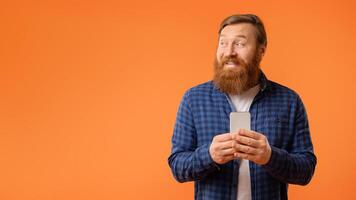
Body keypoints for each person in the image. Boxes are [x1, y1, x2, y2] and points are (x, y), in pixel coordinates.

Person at [168, 14, 317, 200]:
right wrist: (209, 155)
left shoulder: (289, 101)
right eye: (223, 43)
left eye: (239, 43)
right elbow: (177, 167)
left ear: (261, 51)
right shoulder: (193, 99)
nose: (229, 51)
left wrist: (270, 156)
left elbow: (306, 170)